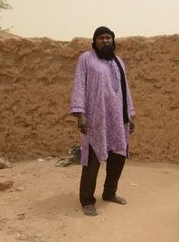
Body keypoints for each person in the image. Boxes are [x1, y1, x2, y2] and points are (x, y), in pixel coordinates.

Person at [70, 26, 135, 216]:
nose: (106, 41)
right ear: (94, 41)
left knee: (118, 158)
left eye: (109, 38)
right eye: (101, 38)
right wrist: (80, 114)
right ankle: (87, 200)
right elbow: (79, 85)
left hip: (117, 119)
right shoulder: (86, 59)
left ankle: (109, 193)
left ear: (113, 41)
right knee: (92, 160)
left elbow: (125, 90)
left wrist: (130, 114)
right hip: (96, 119)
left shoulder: (118, 62)